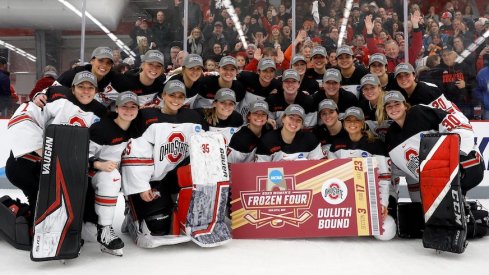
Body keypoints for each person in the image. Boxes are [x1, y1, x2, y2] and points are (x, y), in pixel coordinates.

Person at [6, 72, 107, 224]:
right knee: (42, 207)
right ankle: (15, 212)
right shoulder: (56, 99)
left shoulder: (98, 113)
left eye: (90, 87)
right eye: (81, 87)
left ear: (96, 91)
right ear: (72, 89)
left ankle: (20, 213)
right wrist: (44, 151)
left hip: (53, 169)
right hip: (26, 165)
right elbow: (23, 117)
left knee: (58, 206)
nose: (85, 91)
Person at [120, 80, 208, 248]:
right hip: (155, 179)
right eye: (172, 95)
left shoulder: (194, 118)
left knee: (198, 217)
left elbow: (205, 147)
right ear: (163, 95)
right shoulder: (147, 117)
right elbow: (136, 151)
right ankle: (132, 213)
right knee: (158, 224)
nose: (176, 99)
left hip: (181, 179)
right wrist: (142, 186)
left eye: (180, 96)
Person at [384, 91, 483, 203]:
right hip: (436, 182)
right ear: (386, 111)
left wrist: (460, 153)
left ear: (405, 105)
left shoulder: (419, 112)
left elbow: (457, 123)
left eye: (397, 104)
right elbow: (404, 168)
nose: (393, 109)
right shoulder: (391, 137)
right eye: (389, 106)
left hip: (464, 166)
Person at [328, 106, 394, 240]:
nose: (352, 124)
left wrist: (382, 204)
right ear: (343, 122)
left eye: (356, 120)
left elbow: (384, 177)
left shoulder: (375, 144)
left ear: (363, 123)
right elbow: (331, 176)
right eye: (349, 120)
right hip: (346, 197)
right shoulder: (336, 145)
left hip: (371, 197)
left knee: (385, 233)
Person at [87, 91, 139, 256]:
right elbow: (80, 155)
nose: (129, 110)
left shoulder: (138, 127)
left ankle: (133, 216)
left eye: (133, 107)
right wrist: (98, 164)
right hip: (95, 175)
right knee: (112, 176)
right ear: (116, 108)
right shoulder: (102, 128)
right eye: (124, 106)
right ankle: (105, 230)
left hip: (123, 172)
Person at [34, 47, 117, 108]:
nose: (104, 65)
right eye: (100, 60)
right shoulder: (73, 75)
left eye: (108, 63)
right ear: (92, 61)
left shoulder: (114, 82)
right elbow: (51, 90)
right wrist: (40, 95)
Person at [255, 104, 323, 161]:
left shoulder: (310, 139)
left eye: (298, 120)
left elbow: (318, 166)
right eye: (291, 118)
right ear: (283, 119)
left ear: (302, 125)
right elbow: (260, 169)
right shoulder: (268, 139)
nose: (294, 122)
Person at [358, 74, 392, 140]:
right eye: (366, 88)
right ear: (362, 91)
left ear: (379, 87)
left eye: (372, 87)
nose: (369, 91)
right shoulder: (361, 106)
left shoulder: (390, 101)